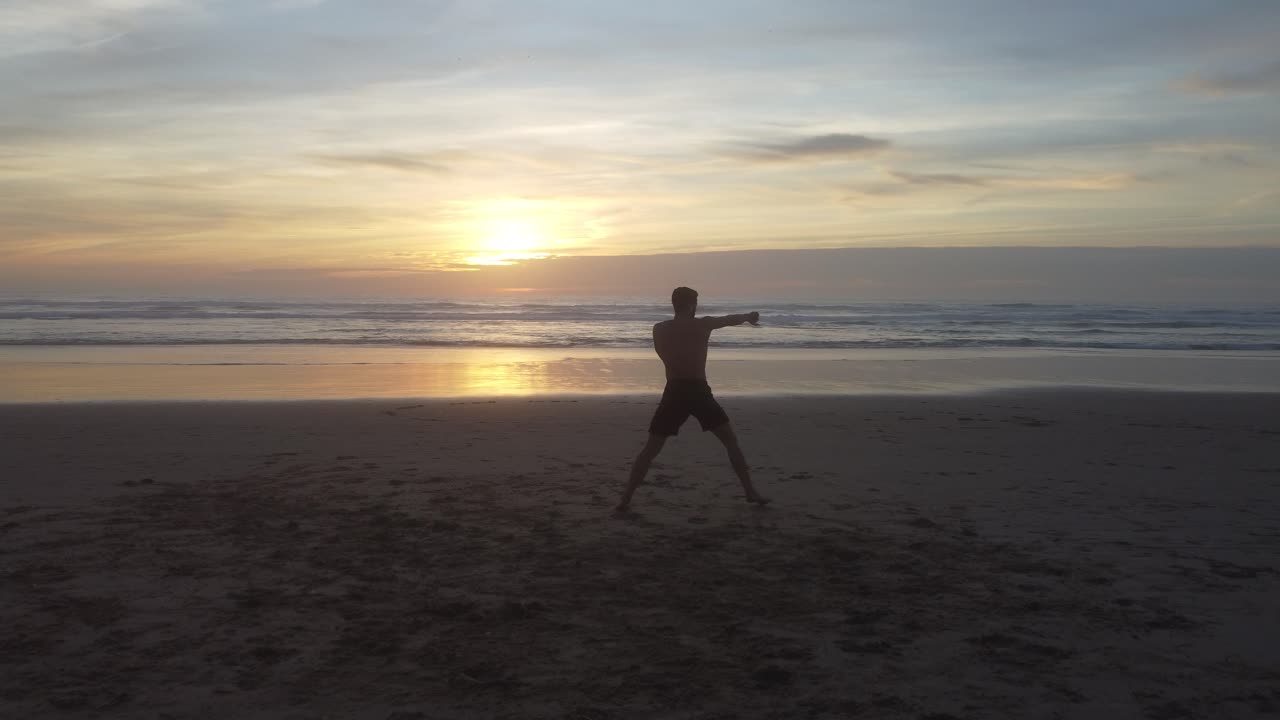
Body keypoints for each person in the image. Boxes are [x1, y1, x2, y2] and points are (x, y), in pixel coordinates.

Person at [616, 287, 770, 512]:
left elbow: (665, 357)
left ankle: (626, 498)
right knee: (729, 440)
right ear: (691, 305)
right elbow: (728, 320)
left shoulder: (659, 329)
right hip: (698, 391)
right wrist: (748, 317)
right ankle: (749, 491)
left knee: (650, 449)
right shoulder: (702, 325)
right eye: (695, 303)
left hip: (674, 391)